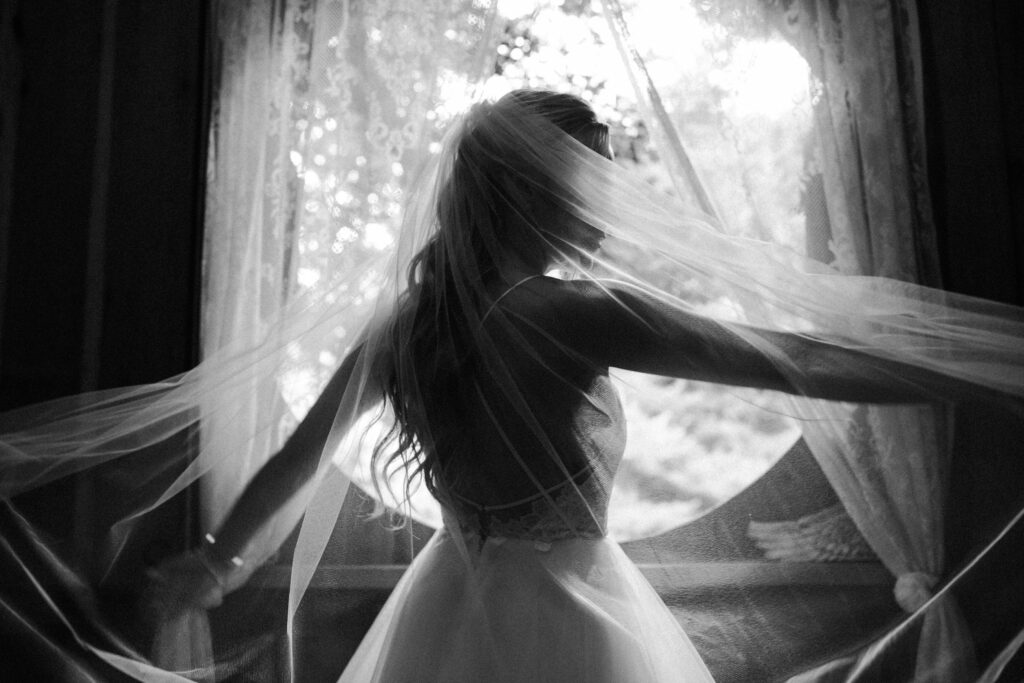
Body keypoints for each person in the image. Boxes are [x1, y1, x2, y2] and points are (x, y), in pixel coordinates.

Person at [143, 90, 1020, 682]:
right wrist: (977, 376)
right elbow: (800, 364)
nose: (610, 200)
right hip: (571, 611)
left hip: (446, 605)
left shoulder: (413, 320)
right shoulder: (576, 313)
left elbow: (301, 457)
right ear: (538, 194)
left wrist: (215, 563)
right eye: (593, 177)